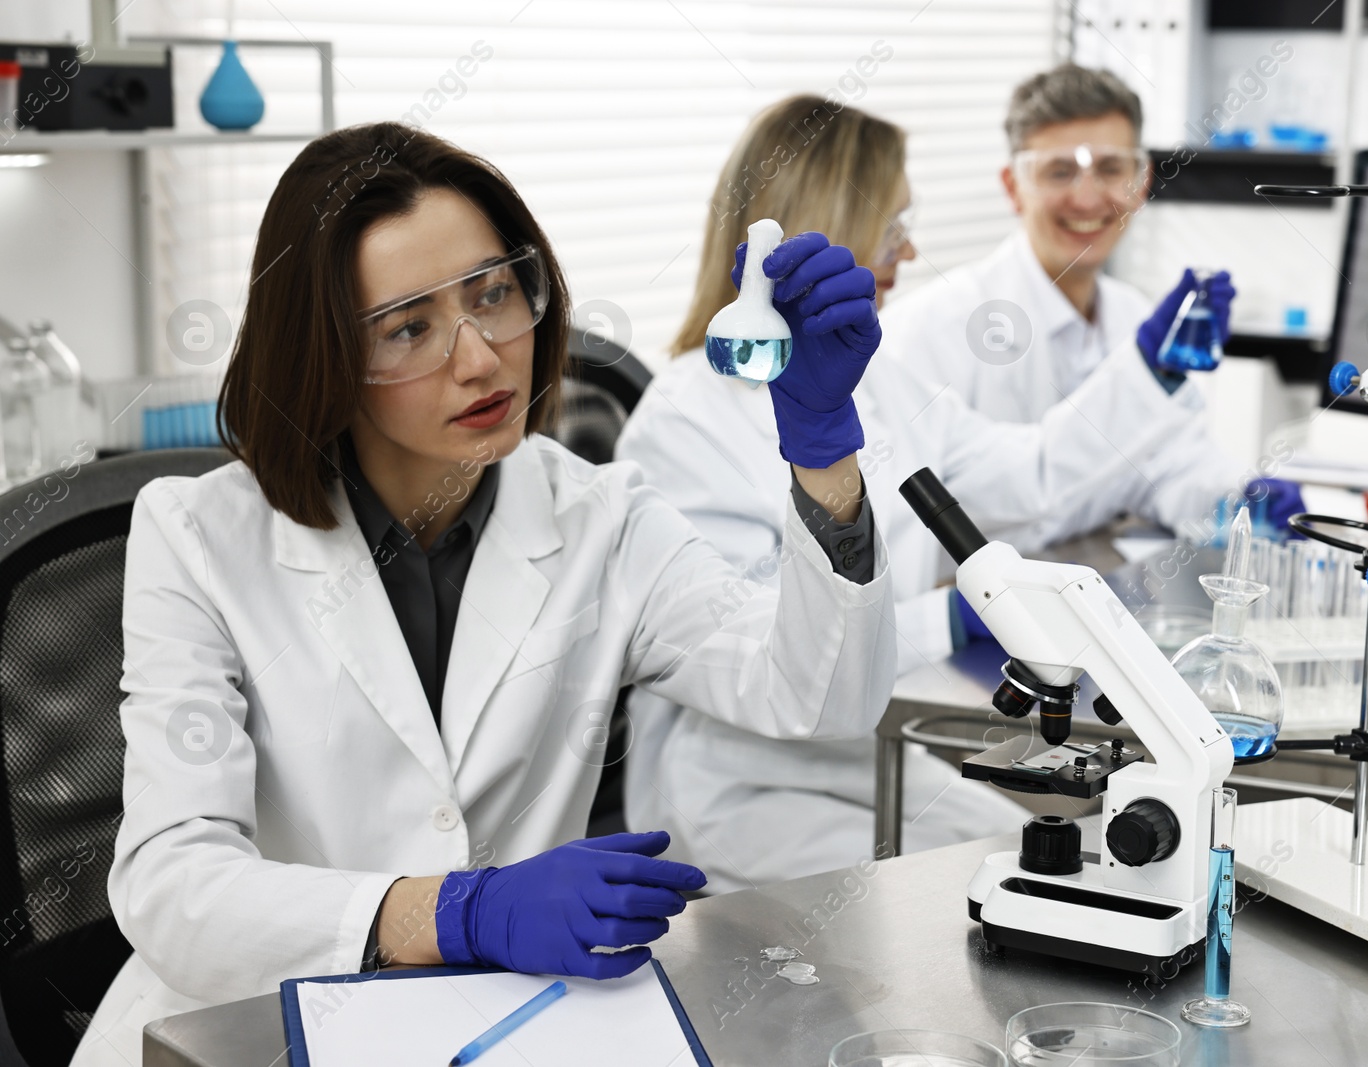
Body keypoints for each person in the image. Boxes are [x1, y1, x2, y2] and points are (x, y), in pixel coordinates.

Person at [70, 123, 898, 1067]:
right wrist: (455, 910)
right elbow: (174, 887)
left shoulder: (602, 517)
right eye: (409, 327)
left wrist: (823, 446)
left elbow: (819, 696)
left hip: (502, 1027)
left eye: (495, 294)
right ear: (325, 356)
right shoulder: (194, 536)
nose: (481, 358)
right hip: (241, 1027)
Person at [615, 95, 1259, 894]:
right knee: (986, 888)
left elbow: (1033, 475)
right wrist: (947, 614)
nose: (909, 250)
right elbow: (755, 645)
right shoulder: (685, 418)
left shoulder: (879, 384)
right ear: (825, 227)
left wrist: (1148, 372)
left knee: (1051, 854)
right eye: (892, 226)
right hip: (736, 784)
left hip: (861, 749)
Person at [880, 63, 1304, 534]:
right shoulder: (932, 330)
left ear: (1141, 182)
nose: (1087, 199)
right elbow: (949, 510)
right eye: (1059, 172)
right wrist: (1144, 377)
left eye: (1110, 169)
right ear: (1012, 187)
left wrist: (1236, 499)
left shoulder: (1131, 316)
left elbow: (1167, 469)